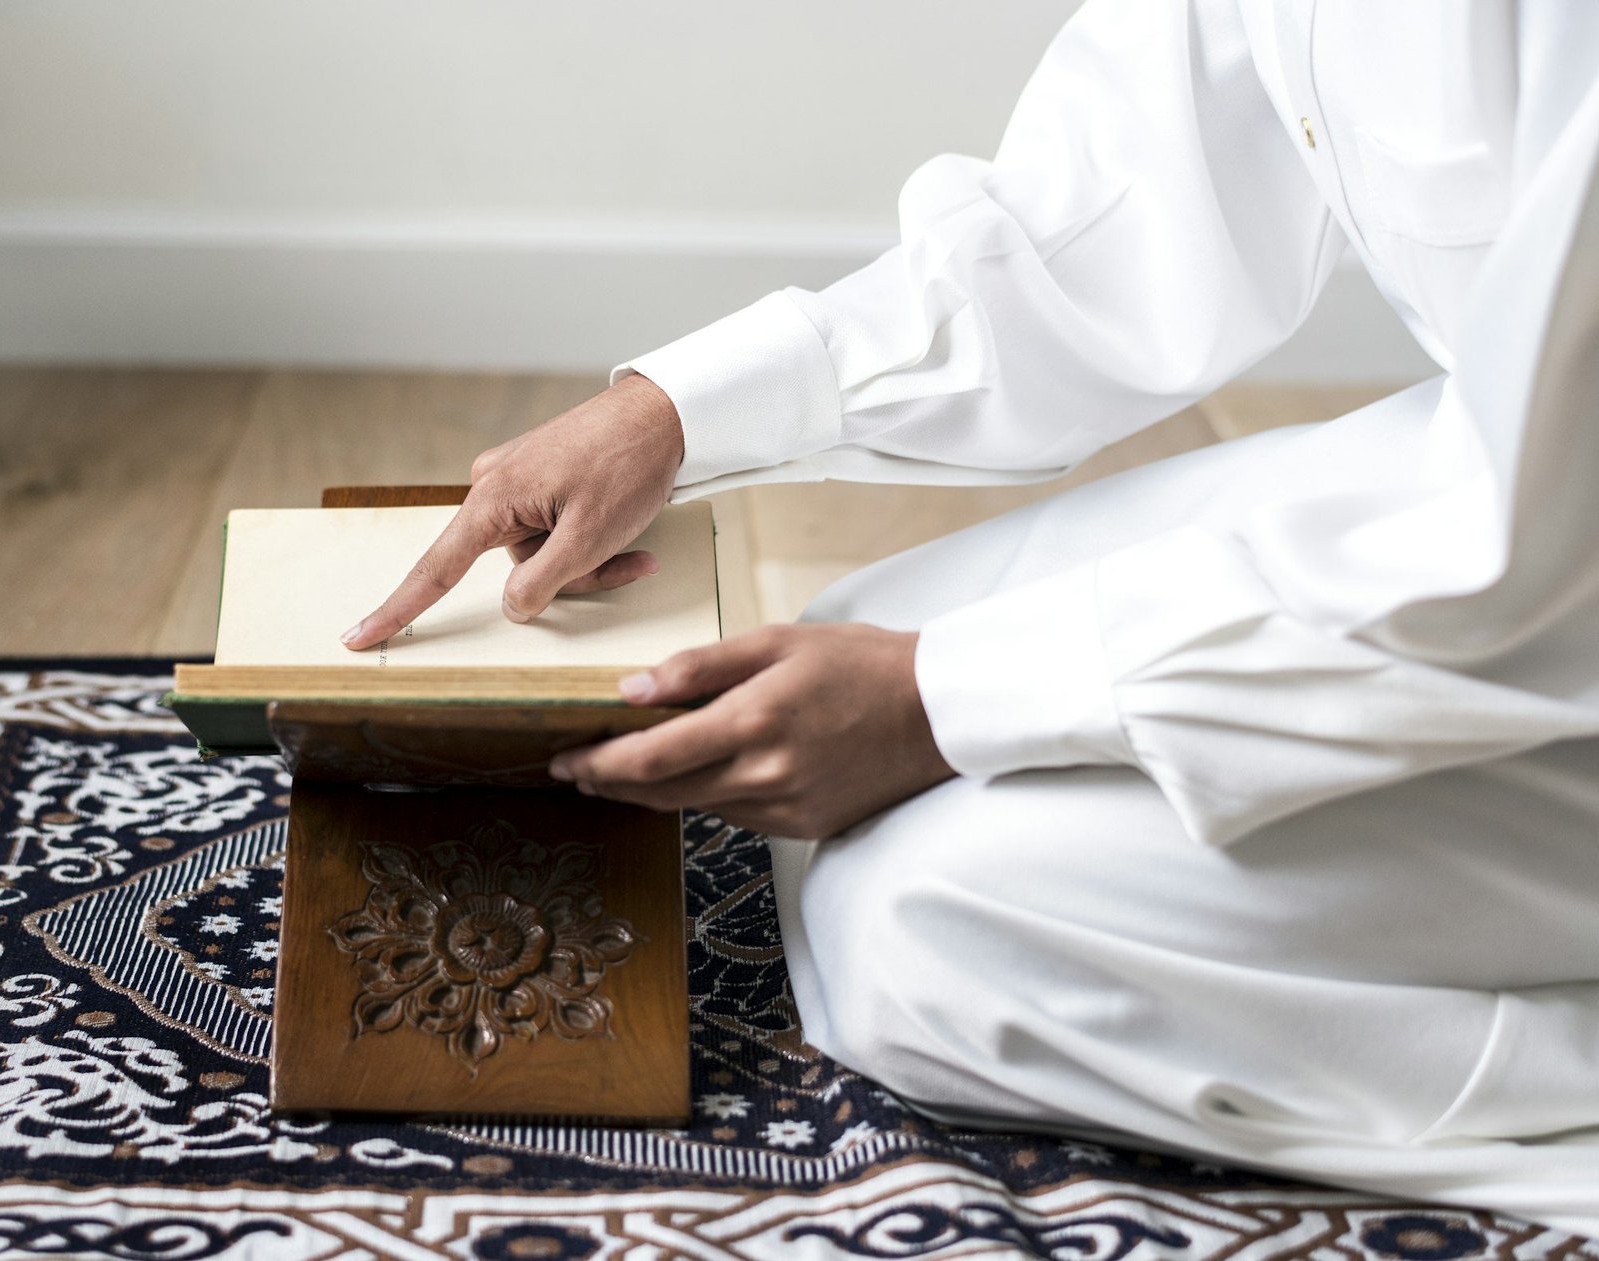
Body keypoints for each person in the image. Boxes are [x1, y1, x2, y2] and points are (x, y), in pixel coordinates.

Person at [342, 1, 1599, 1233]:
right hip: (1506, 472)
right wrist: (672, 416)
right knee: (859, 630)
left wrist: (939, 701)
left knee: (926, 934)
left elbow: (1537, 553)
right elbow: (1103, 234)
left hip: (1554, 565)